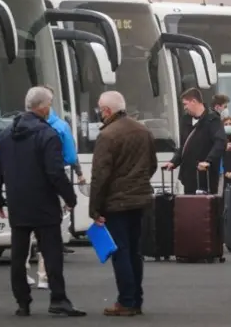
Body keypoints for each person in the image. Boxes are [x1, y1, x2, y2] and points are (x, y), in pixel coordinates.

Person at [0, 86, 84, 317]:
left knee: (19, 255)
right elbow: (55, 172)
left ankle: (22, 301)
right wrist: (70, 198)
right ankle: (58, 299)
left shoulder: (6, 135)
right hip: (43, 203)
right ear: (43, 107)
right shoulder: (47, 134)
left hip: (18, 203)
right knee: (51, 253)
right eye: (49, 104)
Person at [89, 91, 157, 316]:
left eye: (100, 108)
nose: (100, 112)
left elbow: (100, 176)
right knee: (135, 251)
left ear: (107, 111)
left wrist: (94, 209)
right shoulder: (143, 130)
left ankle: (126, 301)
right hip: (141, 200)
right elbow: (152, 164)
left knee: (121, 252)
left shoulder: (107, 136)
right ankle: (136, 299)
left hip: (116, 203)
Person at [25, 107, 84, 289]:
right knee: (50, 230)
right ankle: (44, 276)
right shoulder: (60, 126)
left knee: (25, 230)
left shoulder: (20, 127)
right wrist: (71, 195)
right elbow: (71, 156)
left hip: (28, 180)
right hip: (53, 180)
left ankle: (22, 270)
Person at [163, 88, 226, 195]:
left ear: (194, 101)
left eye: (185, 104)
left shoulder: (212, 119)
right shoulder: (185, 120)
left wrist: (208, 161)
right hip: (188, 175)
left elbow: (220, 142)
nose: (184, 107)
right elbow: (184, 145)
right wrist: (174, 162)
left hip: (206, 175)